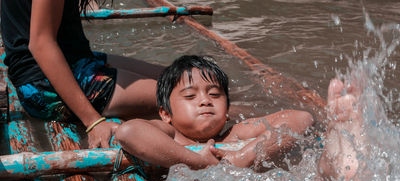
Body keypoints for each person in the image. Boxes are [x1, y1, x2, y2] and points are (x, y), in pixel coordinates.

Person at [1, 0, 163, 148]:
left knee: (173, 76)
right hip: (45, 84)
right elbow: (41, 45)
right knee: (175, 95)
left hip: (74, 61)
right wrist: (93, 121)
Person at [116, 55, 314, 170]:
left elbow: (300, 118)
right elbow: (128, 132)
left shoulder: (233, 135)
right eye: (190, 96)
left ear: (227, 111)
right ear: (166, 114)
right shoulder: (172, 136)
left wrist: (242, 157)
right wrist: (199, 162)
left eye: (214, 94)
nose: (205, 101)